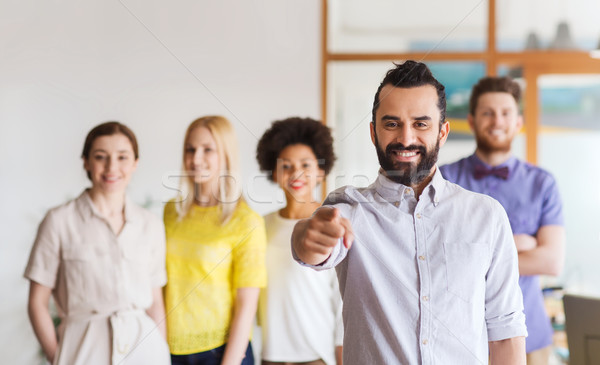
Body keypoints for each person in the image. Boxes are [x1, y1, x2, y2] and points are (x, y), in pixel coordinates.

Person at [291, 60, 528, 364]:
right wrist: (304, 235)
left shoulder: (486, 215)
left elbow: (505, 330)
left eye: (420, 124)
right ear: (373, 132)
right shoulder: (348, 209)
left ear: (442, 132)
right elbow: (312, 244)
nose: (405, 138)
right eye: (391, 124)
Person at [440, 76, 565, 365]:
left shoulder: (542, 183)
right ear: (471, 121)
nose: (497, 121)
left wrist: (476, 252)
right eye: (487, 113)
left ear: (518, 121)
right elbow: (440, 257)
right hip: (460, 336)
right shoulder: (444, 179)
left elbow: (551, 261)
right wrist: (518, 245)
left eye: (506, 113)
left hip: (531, 337)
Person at [25, 121, 170, 365]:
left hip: (145, 351)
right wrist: (57, 356)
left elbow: (155, 301)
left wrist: (161, 350)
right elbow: (37, 302)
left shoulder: (151, 224)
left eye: (122, 157)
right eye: (101, 156)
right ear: (86, 162)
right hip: (82, 350)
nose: (112, 167)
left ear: (135, 163)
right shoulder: (59, 221)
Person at [164, 115, 267, 365]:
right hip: (170, 350)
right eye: (190, 149)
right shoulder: (171, 211)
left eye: (207, 149)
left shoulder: (246, 221)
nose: (195, 159)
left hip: (221, 353)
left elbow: (246, 306)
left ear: (226, 155)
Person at [255, 117, 343, 365]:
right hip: (269, 356)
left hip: (317, 357)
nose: (296, 173)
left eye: (305, 164)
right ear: (274, 172)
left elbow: (342, 302)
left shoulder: (331, 222)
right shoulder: (260, 226)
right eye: (287, 166)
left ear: (320, 171)